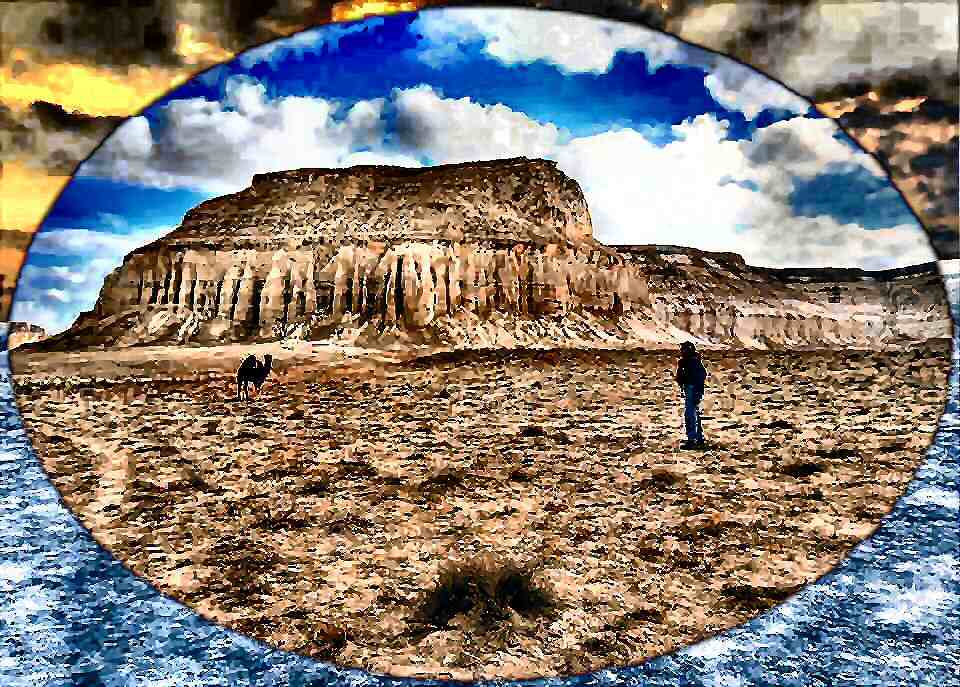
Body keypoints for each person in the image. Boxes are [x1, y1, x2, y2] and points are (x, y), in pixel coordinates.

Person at [675, 341, 706, 449]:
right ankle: (698, 438)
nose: (681, 351)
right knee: (694, 413)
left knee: (690, 414)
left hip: (692, 389)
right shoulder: (691, 362)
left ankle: (692, 439)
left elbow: (697, 377)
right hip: (693, 389)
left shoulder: (690, 362)